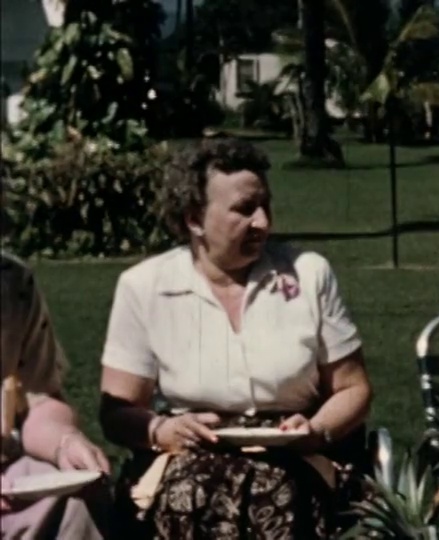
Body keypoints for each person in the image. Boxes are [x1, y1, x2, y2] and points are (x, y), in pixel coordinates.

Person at [98, 138, 373, 539]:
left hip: (296, 455)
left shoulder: (308, 274)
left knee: (272, 492)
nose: (263, 222)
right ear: (194, 218)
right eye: (245, 210)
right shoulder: (146, 287)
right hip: (191, 455)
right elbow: (116, 411)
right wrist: (160, 430)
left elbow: (354, 389)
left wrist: (314, 430)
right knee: (189, 495)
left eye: (266, 205)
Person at [0, 252, 114, 539]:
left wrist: (64, 442)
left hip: (7, 468)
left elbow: (38, 396)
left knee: (73, 503)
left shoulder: (13, 282)